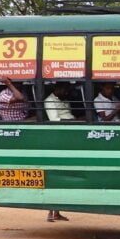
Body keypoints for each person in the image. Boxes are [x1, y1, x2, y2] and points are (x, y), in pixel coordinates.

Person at [42, 82, 73, 222]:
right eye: (64, 89)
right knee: (54, 176)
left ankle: (56, 212)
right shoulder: (49, 101)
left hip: (67, 133)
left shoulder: (64, 99)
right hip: (59, 136)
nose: (66, 92)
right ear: (56, 89)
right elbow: (55, 119)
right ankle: (50, 212)